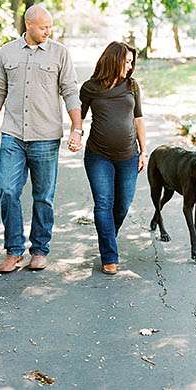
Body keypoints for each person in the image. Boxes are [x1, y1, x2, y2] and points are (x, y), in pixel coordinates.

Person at [0, 5, 82, 274]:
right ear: (28, 25)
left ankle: (39, 250)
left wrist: (77, 128)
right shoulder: (7, 52)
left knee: (43, 197)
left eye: (50, 26)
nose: (48, 31)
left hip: (46, 137)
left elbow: (71, 92)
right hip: (13, 134)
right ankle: (14, 250)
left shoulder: (60, 53)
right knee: (6, 189)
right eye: (43, 27)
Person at [79, 42, 147, 274]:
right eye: (126, 61)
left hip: (128, 156)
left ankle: (107, 239)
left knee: (122, 205)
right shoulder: (89, 88)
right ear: (113, 60)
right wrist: (75, 134)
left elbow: (138, 118)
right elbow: (78, 115)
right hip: (98, 155)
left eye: (131, 62)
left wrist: (144, 150)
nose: (129, 66)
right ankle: (109, 256)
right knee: (103, 205)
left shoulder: (132, 86)